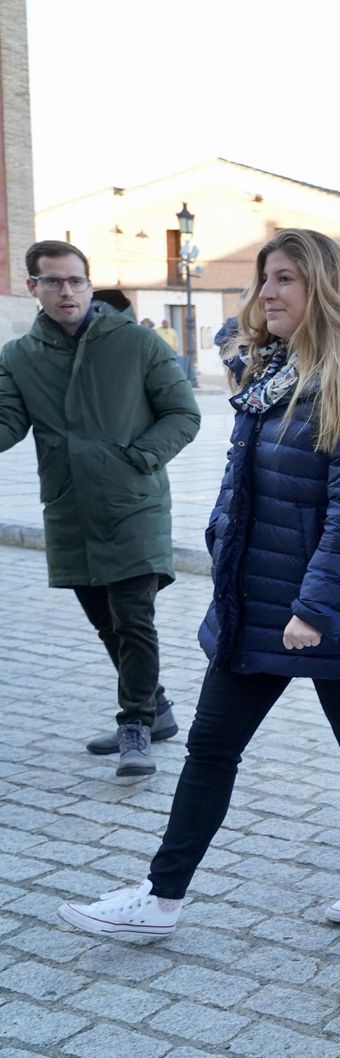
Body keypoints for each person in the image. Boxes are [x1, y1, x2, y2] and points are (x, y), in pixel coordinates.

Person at [57, 229, 340, 939]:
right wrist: (222, 539)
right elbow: (243, 486)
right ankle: (161, 898)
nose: (267, 293)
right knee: (211, 747)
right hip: (254, 599)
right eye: (265, 279)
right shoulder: (268, 376)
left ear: (323, 288)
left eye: (285, 278)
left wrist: (315, 609)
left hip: (333, 608)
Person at [0, 241, 200, 776]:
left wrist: (136, 460)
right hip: (70, 508)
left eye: (76, 281)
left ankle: (136, 724)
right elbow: (7, 425)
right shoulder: (19, 357)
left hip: (134, 503)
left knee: (133, 619)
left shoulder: (136, 342)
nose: (66, 291)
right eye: (53, 281)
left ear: (90, 285)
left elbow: (183, 414)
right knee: (106, 622)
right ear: (33, 287)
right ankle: (157, 709)